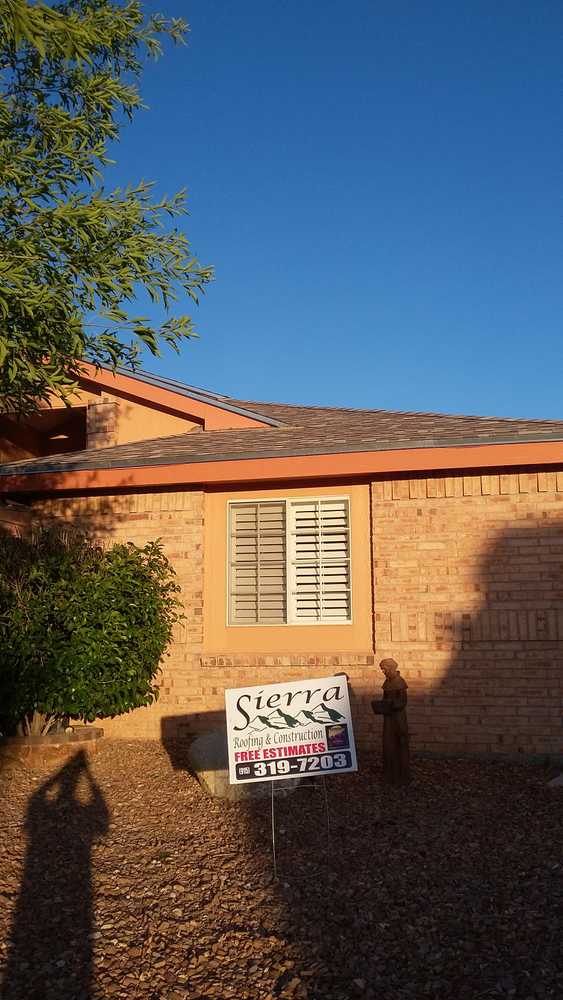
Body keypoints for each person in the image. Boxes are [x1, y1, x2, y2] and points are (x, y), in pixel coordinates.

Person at [371, 657, 410, 785]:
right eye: (382, 669)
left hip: (398, 719)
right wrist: (380, 706)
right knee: (388, 745)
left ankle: (401, 775)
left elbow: (402, 702)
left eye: (384, 669)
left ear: (391, 668)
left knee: (400, 744)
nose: (383, 671)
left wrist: (390, 705)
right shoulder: (387, 683)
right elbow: (385, 699)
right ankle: (389, 773)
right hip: (388, 718)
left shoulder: (400, 682)